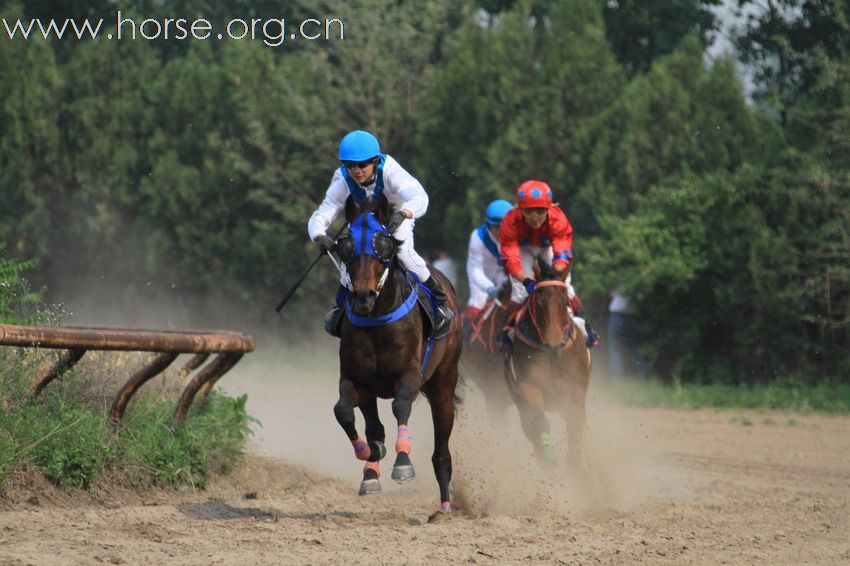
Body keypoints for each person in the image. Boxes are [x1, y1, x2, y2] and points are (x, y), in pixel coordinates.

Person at [307, 130, 454, 337]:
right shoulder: (341, 178)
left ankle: (439, 302)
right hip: (365, 223)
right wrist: (318, 235)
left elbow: (420, 197)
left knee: (404, 255)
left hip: (396, 217)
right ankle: (340, 307)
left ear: (375, 161)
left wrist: (405, 213)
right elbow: (325, 210)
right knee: (351, 258)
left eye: (362, 164)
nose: (356, 170)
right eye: (350, 165)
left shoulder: (391, 172)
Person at [498, 180, 600, 348]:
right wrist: (526, 281)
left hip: (547, 248)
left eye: (540, 211)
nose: (534, 217)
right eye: (529, 211)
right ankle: (507, 331)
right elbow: (511, 259)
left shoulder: (558, 218)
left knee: (566, 287)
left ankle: (587, 327)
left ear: (549, 208)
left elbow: (562, 253)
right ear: (520, 209)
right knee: (519, 293)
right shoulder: (510, 221)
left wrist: (555, 274)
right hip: (523, 250)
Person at [464, 198, 513, 320]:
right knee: (479, 300)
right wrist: (489, 287)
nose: (502, 231)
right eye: (497, 227)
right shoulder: (478, 238)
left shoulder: (517, 235)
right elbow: (476, 271)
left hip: (502, 272)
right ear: (489, 225)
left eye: (505, 226)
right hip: (481, 273)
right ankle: (467, 331)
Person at [607, 290, 647, 381]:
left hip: (616, 316)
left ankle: (617, 380)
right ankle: (643, 378)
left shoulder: (618, 278)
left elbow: (612, 293)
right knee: (635, 349)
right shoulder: (639, 281)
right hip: (632, 317)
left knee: (615, 350)